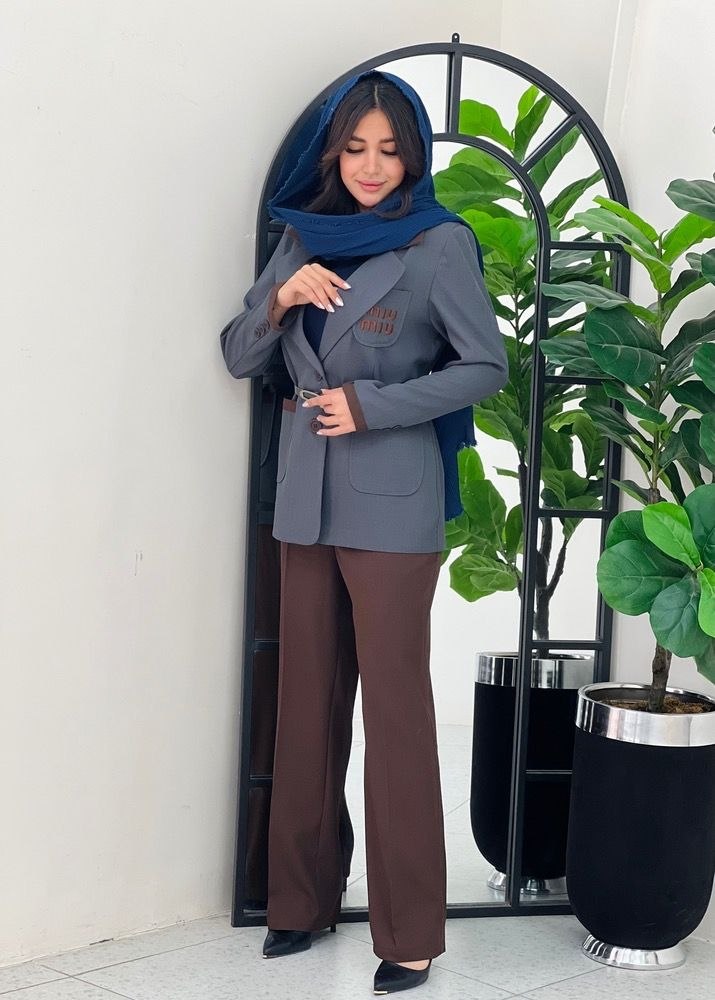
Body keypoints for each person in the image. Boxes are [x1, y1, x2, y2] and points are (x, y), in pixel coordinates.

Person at [219, 69, 507, 995]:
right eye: (355, 148)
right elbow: (238, 354)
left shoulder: (439, 242)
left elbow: (484, 367)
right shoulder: (303, 237)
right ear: (333, 154)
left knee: (394, 711)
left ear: (412, 155)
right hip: (304, 498)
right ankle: (298, 902)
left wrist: (372, 404)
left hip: (392, 502)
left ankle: (409, 931)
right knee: (304, 701)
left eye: (388, 149)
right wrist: (279, 298)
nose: (371, 166)